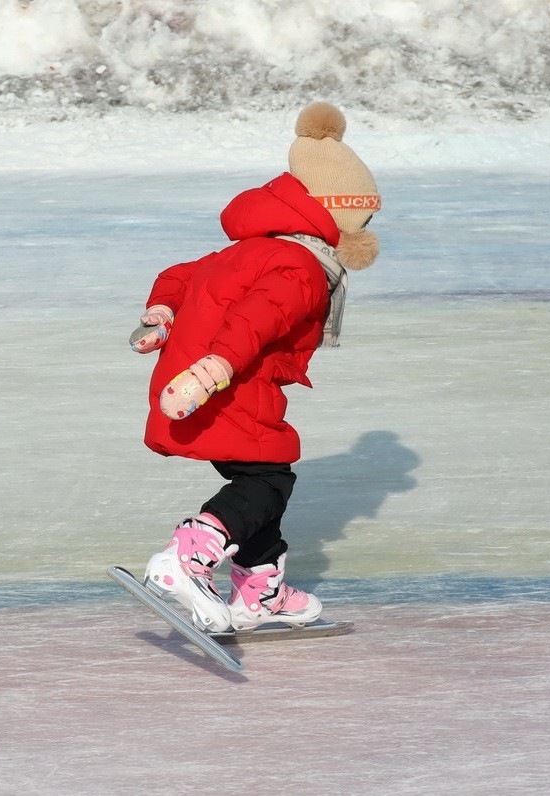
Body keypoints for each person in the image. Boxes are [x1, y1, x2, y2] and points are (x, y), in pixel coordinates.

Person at [129, 102, 381, 632]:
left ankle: (257, 590)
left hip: (205, 380)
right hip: (227, 384)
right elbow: (255, 321)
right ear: (337, 215)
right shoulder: (302, 266)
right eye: (362, 218)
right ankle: (188, 556)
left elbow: (178, 274)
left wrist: (161, 312)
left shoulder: (252, 250)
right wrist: (212, 371)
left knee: (261, 478)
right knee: (268, 483)